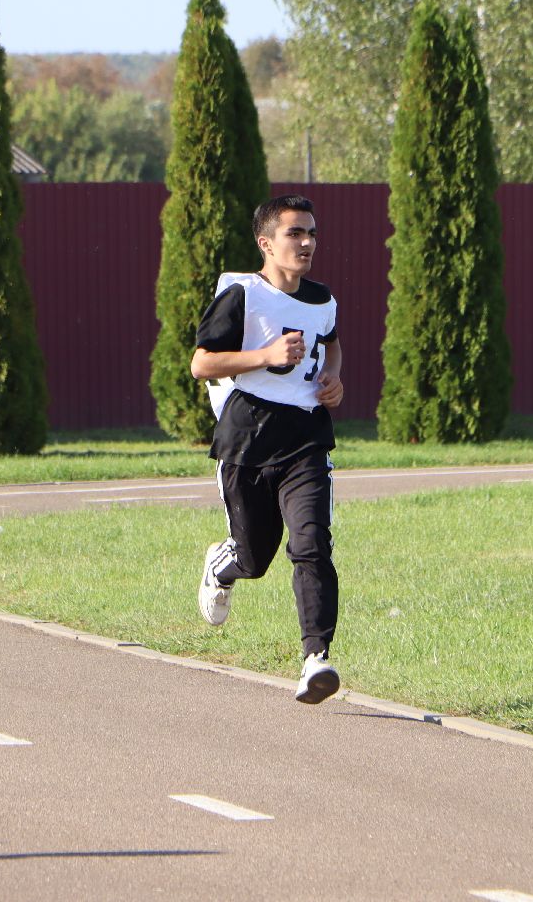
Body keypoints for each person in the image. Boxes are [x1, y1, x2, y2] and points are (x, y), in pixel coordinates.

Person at [190, 195, 345, 705]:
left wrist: (333, 378)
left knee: (311, 543)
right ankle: (223, 563)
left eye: (312, 233)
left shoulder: (322, 298)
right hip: (248, 438)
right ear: (266, 243)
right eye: (295, 233)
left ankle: (316, 659)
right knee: (256, 558)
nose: (306, 243)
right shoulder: (242, 295)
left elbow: (332, 340)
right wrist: (265, 356)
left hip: (305, 436)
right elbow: (202, 364)